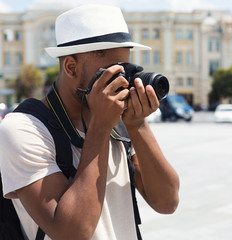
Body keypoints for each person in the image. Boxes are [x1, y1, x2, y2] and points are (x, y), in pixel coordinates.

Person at [0, 4, 179, 240]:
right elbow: (72, 233)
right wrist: (100, 128)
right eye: (111, 73)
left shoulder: (120, 124)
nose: (122, 82)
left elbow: (167, 202)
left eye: (125, 70)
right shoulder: (23, 129)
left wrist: (138, 125)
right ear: (71, 67)